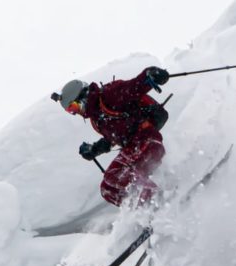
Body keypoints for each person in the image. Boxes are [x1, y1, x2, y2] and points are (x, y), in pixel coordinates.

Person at [53, 66, 170, 206]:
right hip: (138, 153)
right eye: (70, 111)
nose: (76, 112)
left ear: (82, 97)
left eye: (74, 107)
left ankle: (160, 201)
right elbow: (112, 138)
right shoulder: (97, 120)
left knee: (114, 175)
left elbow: (133, 87)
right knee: (108, 189)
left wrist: (149, 74)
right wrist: (94, 149)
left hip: (146, 141)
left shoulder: (109, 95)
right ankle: (142, 213)